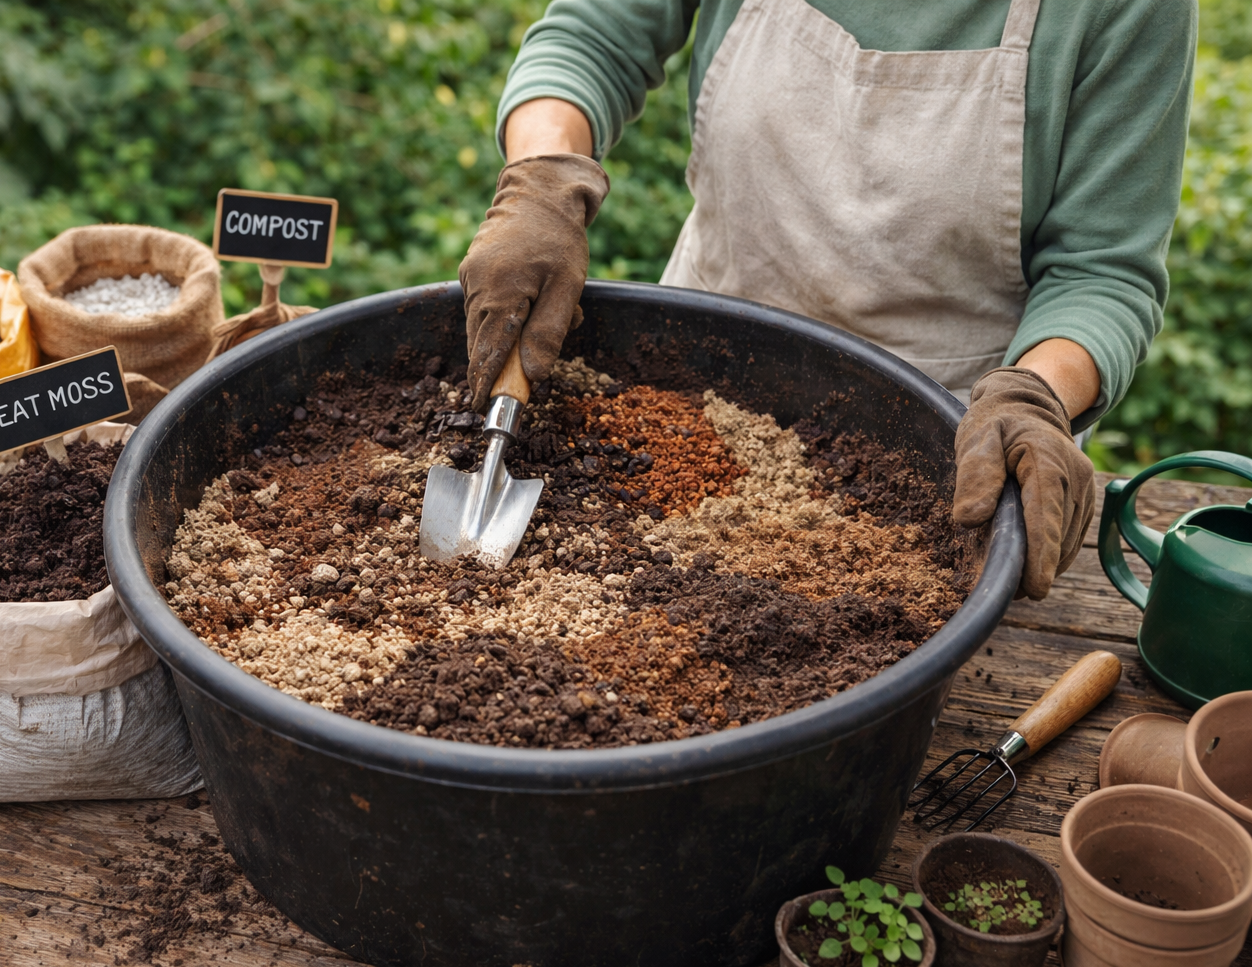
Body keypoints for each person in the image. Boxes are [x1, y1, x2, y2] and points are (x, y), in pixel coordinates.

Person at [458, 0, 1195, 600]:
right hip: (682, 396)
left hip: (936, 461)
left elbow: (1102, 270)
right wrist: (543, 181)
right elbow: (595, 34)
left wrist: (1036, 397)